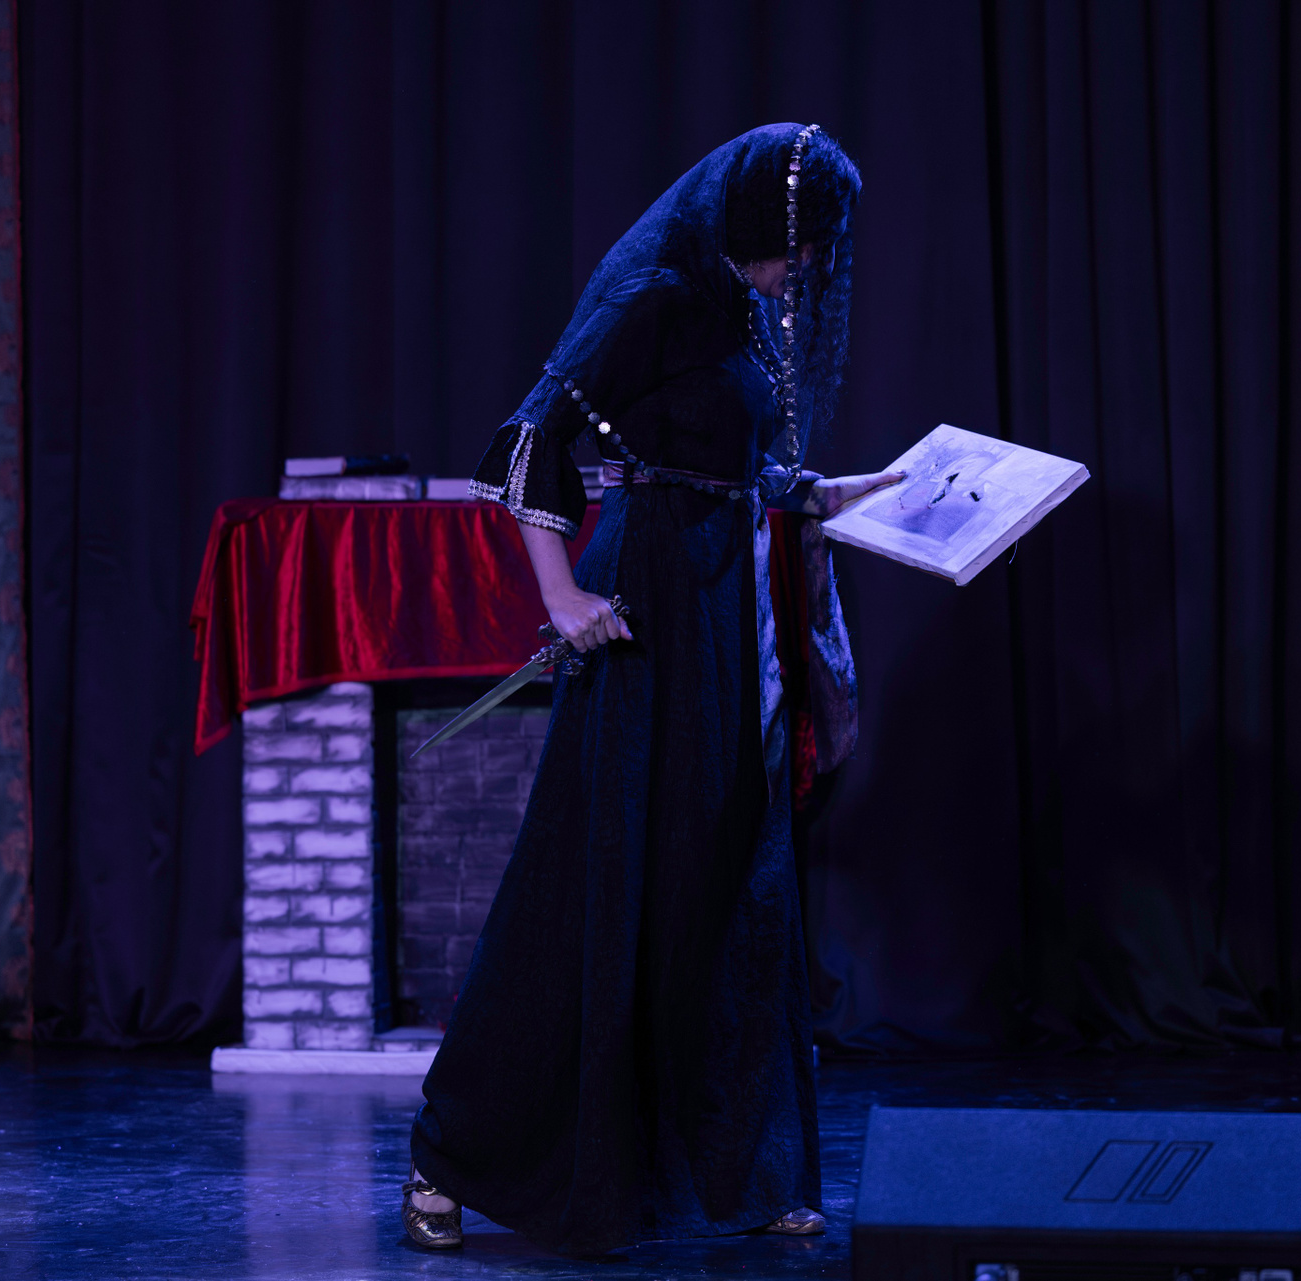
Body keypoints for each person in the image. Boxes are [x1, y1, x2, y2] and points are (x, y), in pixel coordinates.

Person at [401, 123, 899, 1255]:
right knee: (595, 882)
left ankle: (743, 1166)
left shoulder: (733, 307)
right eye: (800, 242)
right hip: (649, 604)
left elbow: (723, 457)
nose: (806, 266)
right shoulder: (657, 295)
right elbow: (528, 442)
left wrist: (823, 492)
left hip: (722, 605)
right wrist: (561, 593)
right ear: (760, 222)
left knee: (730, 880)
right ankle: (452, 1153)